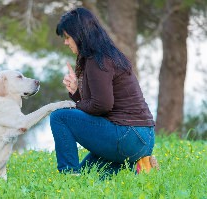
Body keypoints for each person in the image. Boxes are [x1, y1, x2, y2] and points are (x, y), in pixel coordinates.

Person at [50, 7, 159, 177]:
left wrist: (77, 103)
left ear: (80, 35)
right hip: (143, 138)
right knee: (88, 175)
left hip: (128, 135)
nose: (66, 42)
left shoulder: (97, 60)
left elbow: (102, 106)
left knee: (60, 117)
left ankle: (68, 175)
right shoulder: (106, 55)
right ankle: (141, 168)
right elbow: (99, 104)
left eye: (67, 37)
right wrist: (76, 93)